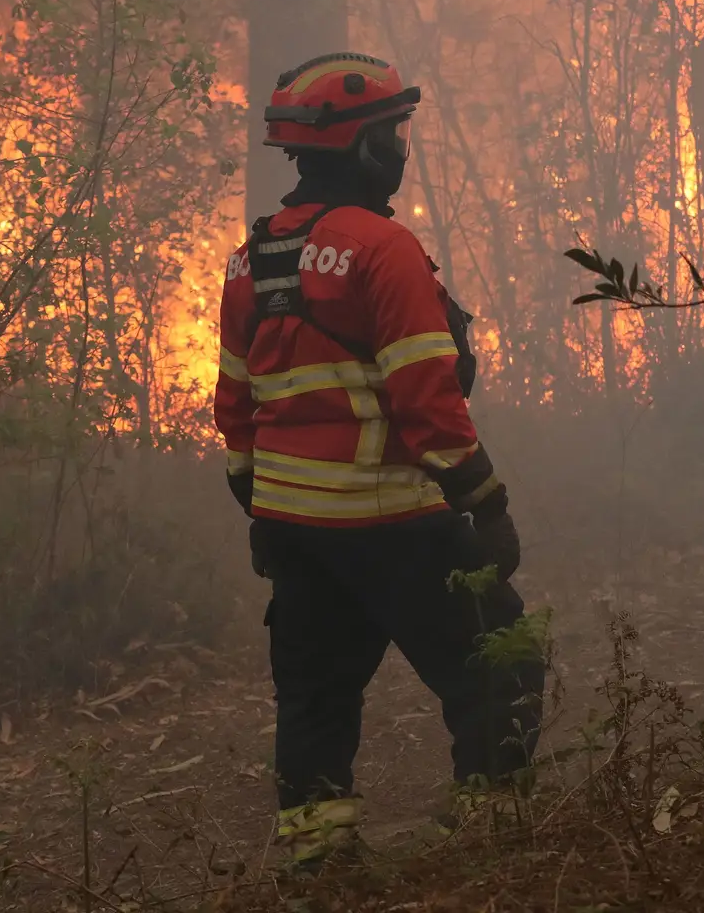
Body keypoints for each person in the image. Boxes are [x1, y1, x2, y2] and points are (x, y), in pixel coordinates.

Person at [213, 51, 543, 866]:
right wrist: (487, 504)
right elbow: (427, 406)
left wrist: (263, 516)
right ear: (363, 147)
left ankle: (317, 862)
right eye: (393, 131)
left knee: (316, 697)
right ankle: (491, 835)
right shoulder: (383, 248)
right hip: (391, 518)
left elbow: (235, 407)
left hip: (296, 528)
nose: (400, 146)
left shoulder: (250, 260)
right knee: (499, 659)